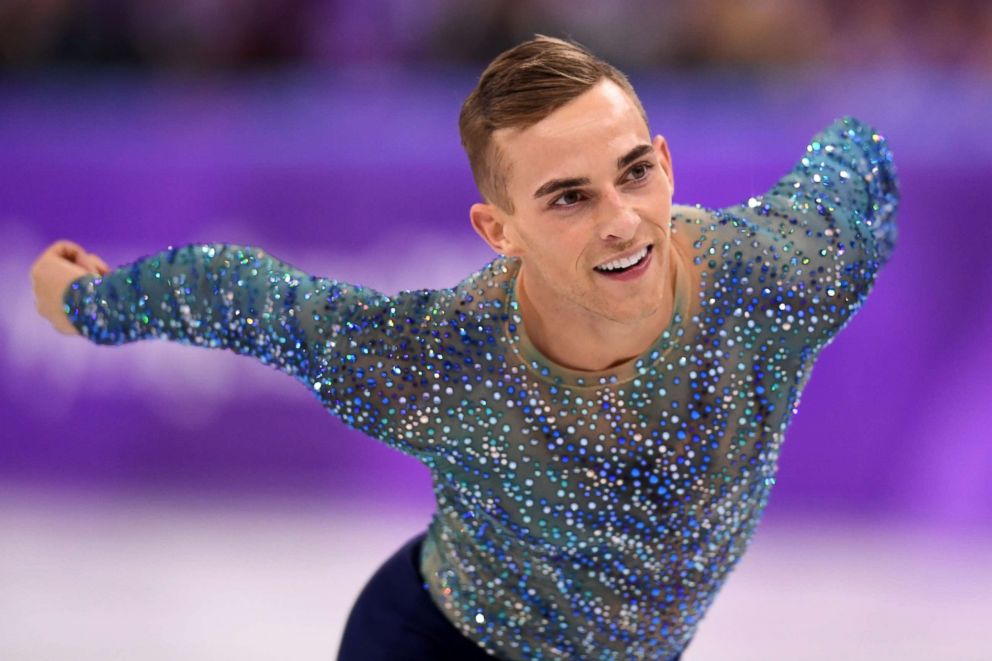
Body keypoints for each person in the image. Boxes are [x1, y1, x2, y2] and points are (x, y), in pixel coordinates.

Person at [30, 35, 898, 661]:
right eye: (569, 198)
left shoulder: (777, 276)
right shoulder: (441, 357)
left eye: (635, 171)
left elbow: (857, 160)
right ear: (498, 229)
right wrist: (88, 305)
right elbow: (252, 297)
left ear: (666, 159)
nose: (623, 220)